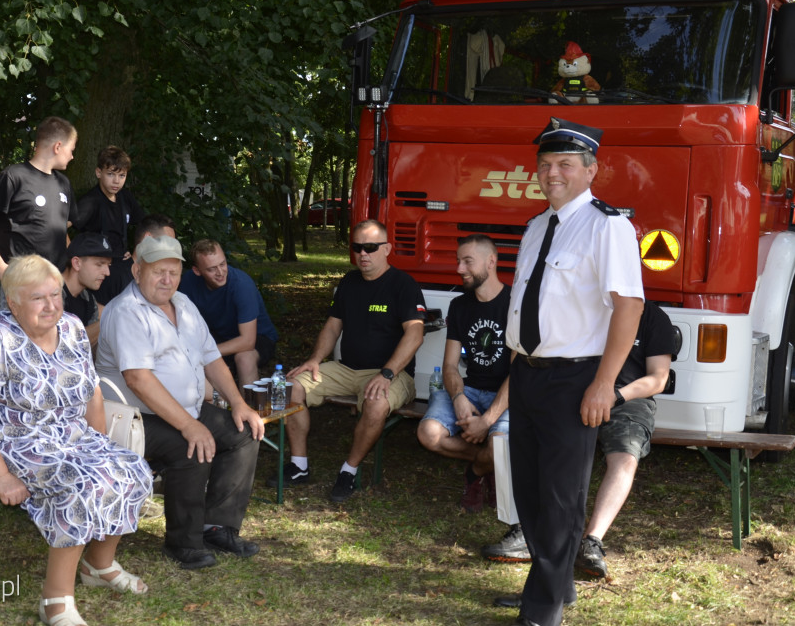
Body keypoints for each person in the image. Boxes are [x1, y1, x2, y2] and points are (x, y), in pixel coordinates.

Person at [498, 117, 644, 626]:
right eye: (545, 164)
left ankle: (542, 609)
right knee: (530, 491)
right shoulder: (537, 226)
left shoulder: (609, 226)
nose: (551, 173)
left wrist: (604, 383)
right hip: (529, 374)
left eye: (564, 164)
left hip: (574, 378)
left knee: (561, 496)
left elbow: (628, 306)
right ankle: (556, 584)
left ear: (591, 170)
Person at [0, 255, 153, 626]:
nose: (51, 306)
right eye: (38, 299)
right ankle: (55, 600)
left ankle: (99, 566)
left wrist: (100, 445)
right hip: (10, 441)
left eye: (56, 295)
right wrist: (0, 477)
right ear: (13, 303)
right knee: (81, 482)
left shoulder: (75, 327)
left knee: (131, 468)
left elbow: (91, 391)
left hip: (68, 434)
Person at [97, 234, 265, 570]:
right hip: (133, 417)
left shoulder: (185, 304)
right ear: (136, 271)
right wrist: (190, 425)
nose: (167, 280)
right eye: (158, 271)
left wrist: (237, 403)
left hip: (183, 407)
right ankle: (183, 542)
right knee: (189, 445)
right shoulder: (127, 312)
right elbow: (138, 380)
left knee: (243, 433)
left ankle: (217, 525)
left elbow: (211, 357)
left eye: (173, 272)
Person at [482, 300, 676, 580]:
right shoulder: (583, 306)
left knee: (625, 457)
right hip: (573, 394)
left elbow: (658, 378)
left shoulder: (653, 316)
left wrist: (615, 395)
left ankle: (591, 542)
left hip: (626, 399)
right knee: (537, 448)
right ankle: (529, 532)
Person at [271, 219, 426, 503]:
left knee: (377, 402)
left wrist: (387, 373)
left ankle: (348, 471)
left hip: (390, 373)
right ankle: (299, 466)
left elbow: (415, 334)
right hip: (346, 368)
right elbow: (332, 326)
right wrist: (315, 359)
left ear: (387, 248)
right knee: (292, 386)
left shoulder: (403, 285)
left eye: (370, 247)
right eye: (357, 247)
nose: (363, 254)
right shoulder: (349, 282)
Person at [417, 234, 510, 513]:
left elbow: (520, 373)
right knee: (428, 433)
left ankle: (476, 473)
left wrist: (488, 420)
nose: (459, 269)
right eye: (459, 261)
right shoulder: (459, 305)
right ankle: (493, 464)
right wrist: (458, 397)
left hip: (507, 393)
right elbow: (449, 365)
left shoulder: (516, 304)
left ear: (491, 262)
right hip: (469, 389)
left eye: (468, 262)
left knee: (498, 446)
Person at [0, 116, 78, 281]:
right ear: (58, 147)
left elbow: (61, 230)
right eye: (71, 150)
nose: (72, 156)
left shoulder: (63, 183)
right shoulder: (14, 176)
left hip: (57, 282)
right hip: (22, 282)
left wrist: (72, 267)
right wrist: (1, 268)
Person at [178, 239, 279, 387]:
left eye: (223, 264)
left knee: (244, 358)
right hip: (216, 337)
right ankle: (216, 407)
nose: (220, 272)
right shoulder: (187, 282)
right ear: (197, 271)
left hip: (257, 337)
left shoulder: (241, 285)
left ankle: (250, 407)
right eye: (212, 269)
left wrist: (204, 353)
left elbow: (248, 341)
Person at [72, 146, 145, 305]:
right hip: (99, 271)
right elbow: (60, 227)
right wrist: (72, 259)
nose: (116, 181)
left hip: (123, 266)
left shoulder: (125, 197)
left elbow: (144, 225)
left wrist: (134, 254)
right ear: (99, 173)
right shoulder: (90, 201)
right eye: (110, 174)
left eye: (122, 175)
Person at [61, 232, 113, 352]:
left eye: (108, 265)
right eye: (100, 264)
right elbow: (64, 347)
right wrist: (110, 319)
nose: (107, 272)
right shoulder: (50, 293)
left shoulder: (88, 299)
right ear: (76, 263)